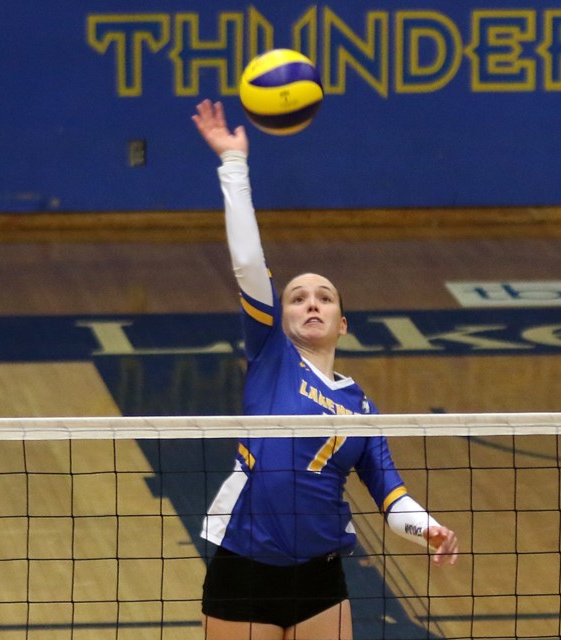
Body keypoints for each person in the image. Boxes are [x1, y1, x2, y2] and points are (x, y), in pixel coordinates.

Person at [192, 99, 458, 640]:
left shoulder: (361, 408)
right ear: (278, 316)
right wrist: (234, 164)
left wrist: (429, 529)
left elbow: (391, 498)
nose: (311, 304)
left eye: (324, 298)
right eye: (296, 298)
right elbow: (246, 260)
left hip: (322, 578)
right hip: (245, 568)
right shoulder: (271, 354)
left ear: (342, 323)